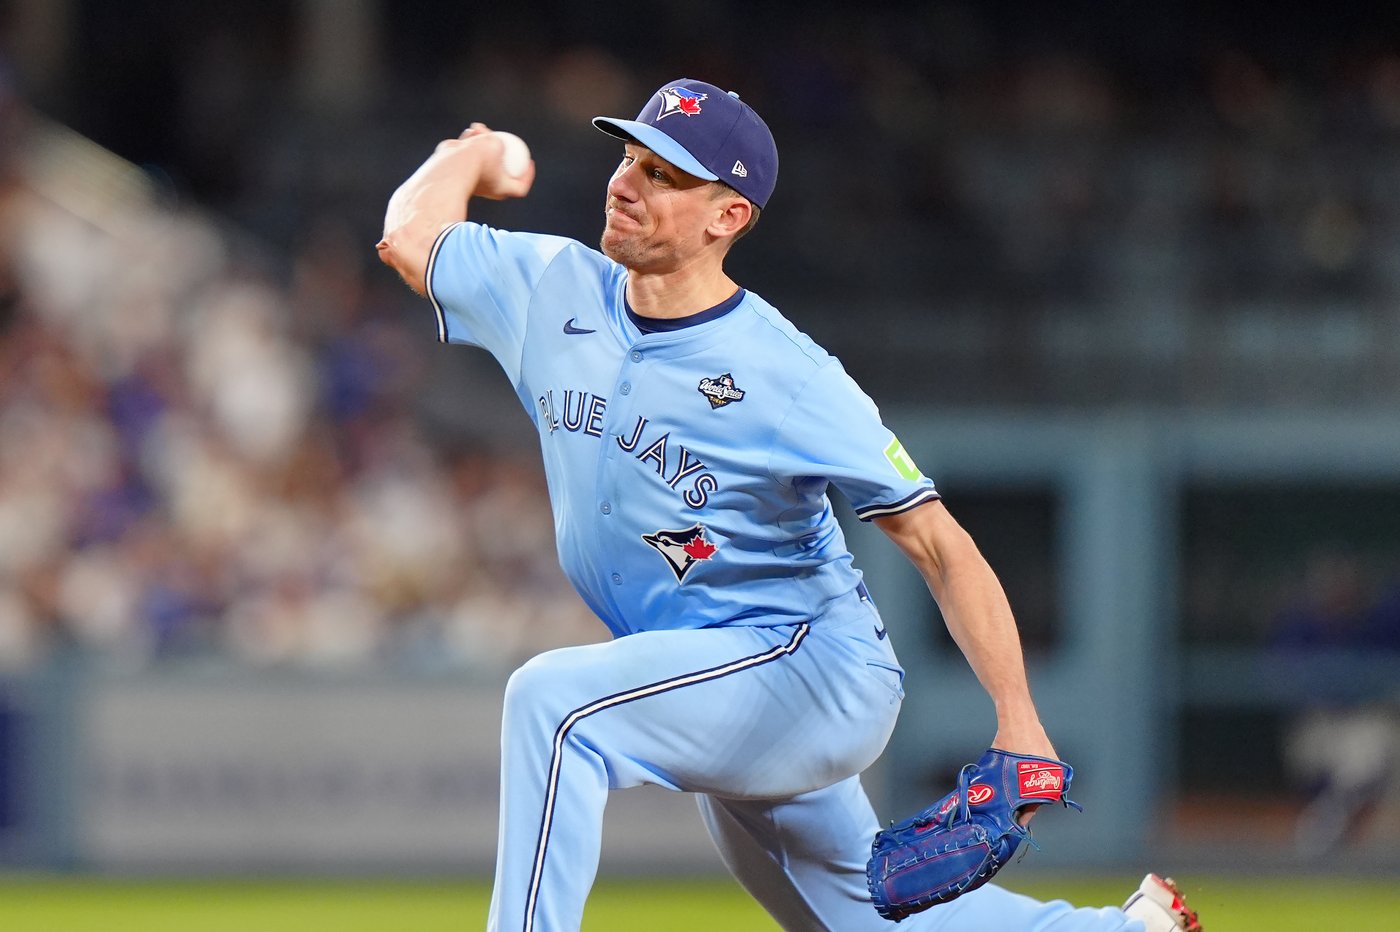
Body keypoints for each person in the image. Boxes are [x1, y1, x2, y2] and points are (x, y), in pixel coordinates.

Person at [378, 78, 1200, 932]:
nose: (625, 183)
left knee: (554, 707)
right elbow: (409, 236)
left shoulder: (789, 376)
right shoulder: (550, 288)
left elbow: (939, 544)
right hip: (707, 667)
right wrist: (467, 154)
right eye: (628, 158)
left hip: (810, 667)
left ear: (726, 217)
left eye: (663, 174)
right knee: (861, 921)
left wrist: (1020, 720)